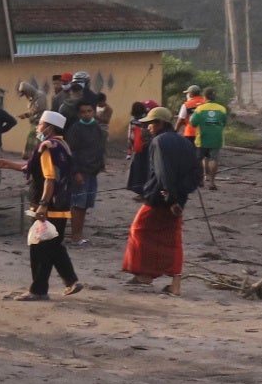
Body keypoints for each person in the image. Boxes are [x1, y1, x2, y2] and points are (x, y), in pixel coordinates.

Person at [122, 105, 203, 294]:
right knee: (172, 239)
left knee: (139, 230)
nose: (148, 127)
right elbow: (197, 173)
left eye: (151, 124)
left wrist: (171, 197)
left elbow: (162, 172)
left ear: (160, 124)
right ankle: (174, 283)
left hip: (159, 198)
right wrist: (181, 198)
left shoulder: (158, 142)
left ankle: (144, 274)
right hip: (178, 200)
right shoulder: (186, 142)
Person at [1, 110, 81, 300]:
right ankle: (71, 281)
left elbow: (49, 178)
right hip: (62, 206)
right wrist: (8, 164)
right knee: (54, 246)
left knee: (39, 249)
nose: (38, 127)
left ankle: (38, 290)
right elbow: (31, 167)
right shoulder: (62, 145)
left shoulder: (47, 146)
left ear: (49, 127)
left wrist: (43, 205)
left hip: (47, 207)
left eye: (40, 124)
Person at [62, 96, 107, 246]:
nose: (86, 114)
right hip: (80, 173)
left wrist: (99, 166)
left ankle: (80, 234)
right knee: (77, 204)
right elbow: (71, 153)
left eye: (89, 111)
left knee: (85, 205)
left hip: (92, 172)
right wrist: (76, 172)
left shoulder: (97, 128)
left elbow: (100, 150)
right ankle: (76, 235)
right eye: (83, 112)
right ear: (79, 114)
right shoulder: (76, 129)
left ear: (94, 112)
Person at [189, 87, 229, 184]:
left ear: (205, 97)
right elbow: (224, 123)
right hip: (216, 138)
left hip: (202, 138)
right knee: (213, 159)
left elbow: (193, 123)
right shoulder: (222, 109)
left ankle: (201, 180)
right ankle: (212, 182)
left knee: (200, 159)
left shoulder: (200, 109)